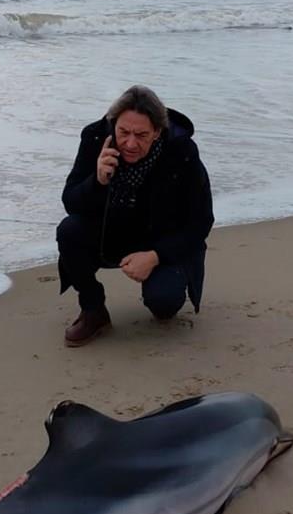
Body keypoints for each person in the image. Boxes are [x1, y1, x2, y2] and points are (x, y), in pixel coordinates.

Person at [57, 85, 214, 346]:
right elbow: (71, 203)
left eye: (141, 135)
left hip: (160, 239)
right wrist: (97, 181)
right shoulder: (95, 139)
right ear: (113, 124)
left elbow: (201, 223)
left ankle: (161, 284)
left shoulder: (181, 151)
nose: (130, 143)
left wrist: (155, 256)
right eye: (124, 132)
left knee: (164, 304)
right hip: (112, 232)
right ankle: (93, 309)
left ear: (158, 132)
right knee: (69, 230)